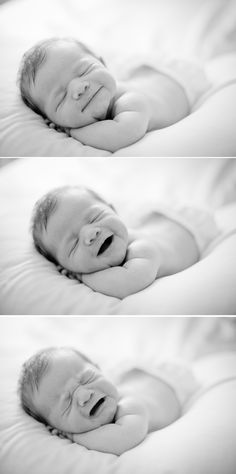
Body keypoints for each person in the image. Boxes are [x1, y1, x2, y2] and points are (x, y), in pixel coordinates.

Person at [18, 37, 210, 152]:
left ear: (102, 63)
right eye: (61, 97)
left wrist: (72, 131)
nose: (79, 88)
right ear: (52, 121)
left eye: (85, 70)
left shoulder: (130, 100)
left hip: (177, 80)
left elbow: (123, 132)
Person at [31, 185, 219, 299]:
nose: (91, 234)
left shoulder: (142, 249)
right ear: (64, 267)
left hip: (187, 227)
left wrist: (81, 275)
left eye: (95, 217)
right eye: (73, 244)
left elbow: (128, 282)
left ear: (113, 210)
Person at [18, 346, 199, 455]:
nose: (85, 395)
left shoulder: (129, 404)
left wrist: (73, 436)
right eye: (67, 401)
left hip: (163, 381)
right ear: (54, 427)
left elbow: (123, 438)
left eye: (87, 378)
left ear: (99, 370)